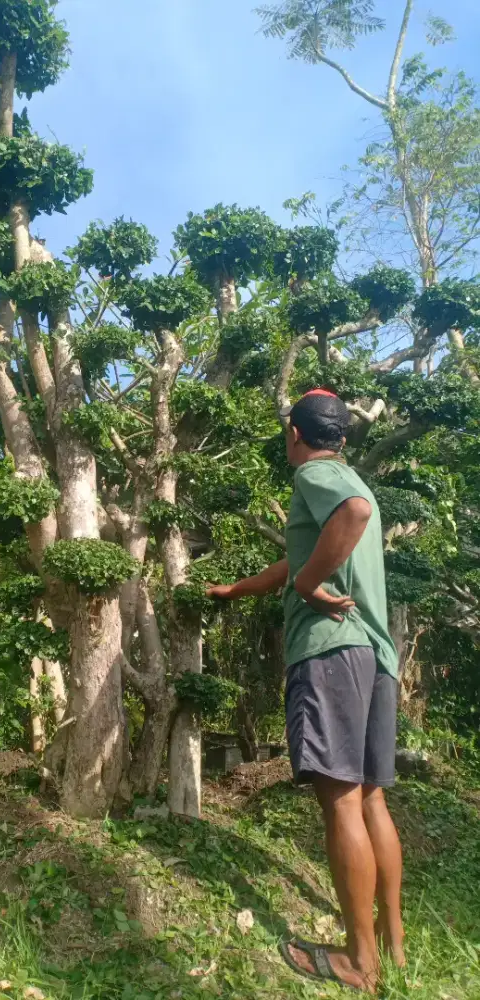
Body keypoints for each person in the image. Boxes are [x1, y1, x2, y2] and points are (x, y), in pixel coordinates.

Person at [207, 389, 404, 995]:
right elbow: (295, 566)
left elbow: (351, 517)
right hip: (375, 656)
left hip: (330, 651)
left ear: (295, 433)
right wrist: (232, 591)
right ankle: (393, 947)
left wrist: (313, 585)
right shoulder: (348, 474)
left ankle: (359, 963)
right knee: (371, 798)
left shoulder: (318, 476)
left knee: (341, 802)